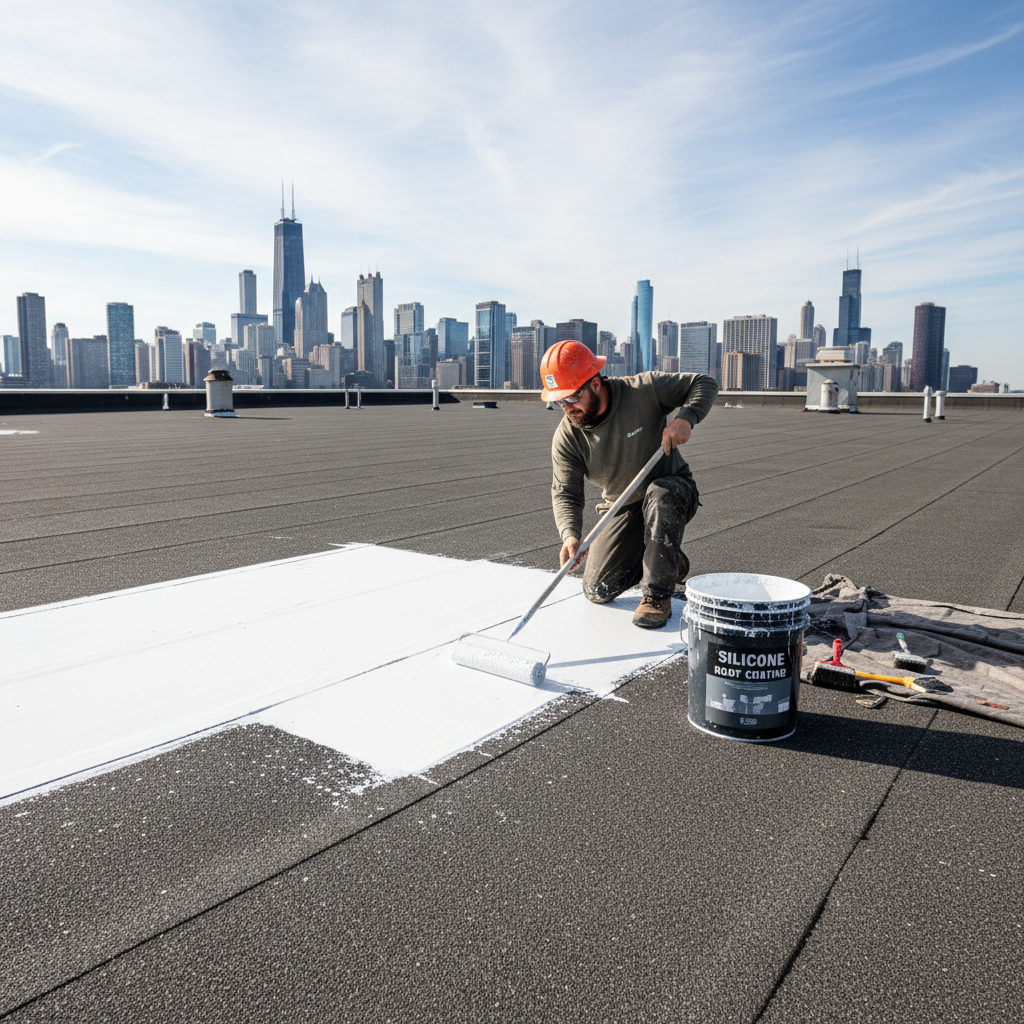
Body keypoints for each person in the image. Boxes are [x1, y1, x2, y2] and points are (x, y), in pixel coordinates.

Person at [542, 340, 719, 629]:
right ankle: (665, 560)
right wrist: (570, 535)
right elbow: (566, 493)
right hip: (622, 506)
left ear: (595, 384)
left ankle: (656, 596)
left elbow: (704, 383)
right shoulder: (567, 438)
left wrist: (686, 417)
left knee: (660, 494)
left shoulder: (643, 389)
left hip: (671, 490)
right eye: (558, 401)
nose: (566, 407)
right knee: (597, 589)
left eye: (572, 397)